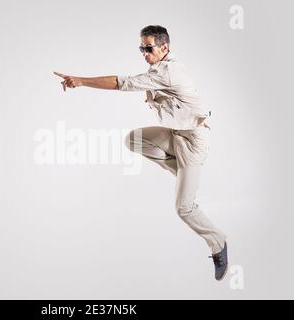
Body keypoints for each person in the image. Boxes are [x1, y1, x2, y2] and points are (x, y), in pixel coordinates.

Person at [54, 25, 228, 281]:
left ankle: (218, 243)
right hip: (175, 135)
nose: (144, 53)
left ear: (164, 48)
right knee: (133, 139)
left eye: (148, 48)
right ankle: (183, 175)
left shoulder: (168, 72)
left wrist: (81, 81)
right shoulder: (158, 69)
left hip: (192, 142)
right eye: (141, 48)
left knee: (184, 209)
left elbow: (121, 83)